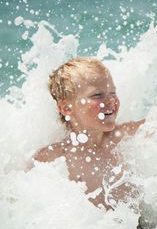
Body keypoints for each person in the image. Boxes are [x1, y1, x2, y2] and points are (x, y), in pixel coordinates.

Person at [32, 57, 144, 210]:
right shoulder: (56, 157)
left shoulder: (123, 136)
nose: (111, 100)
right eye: (97, 95)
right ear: (66, 108)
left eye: (113, 92)